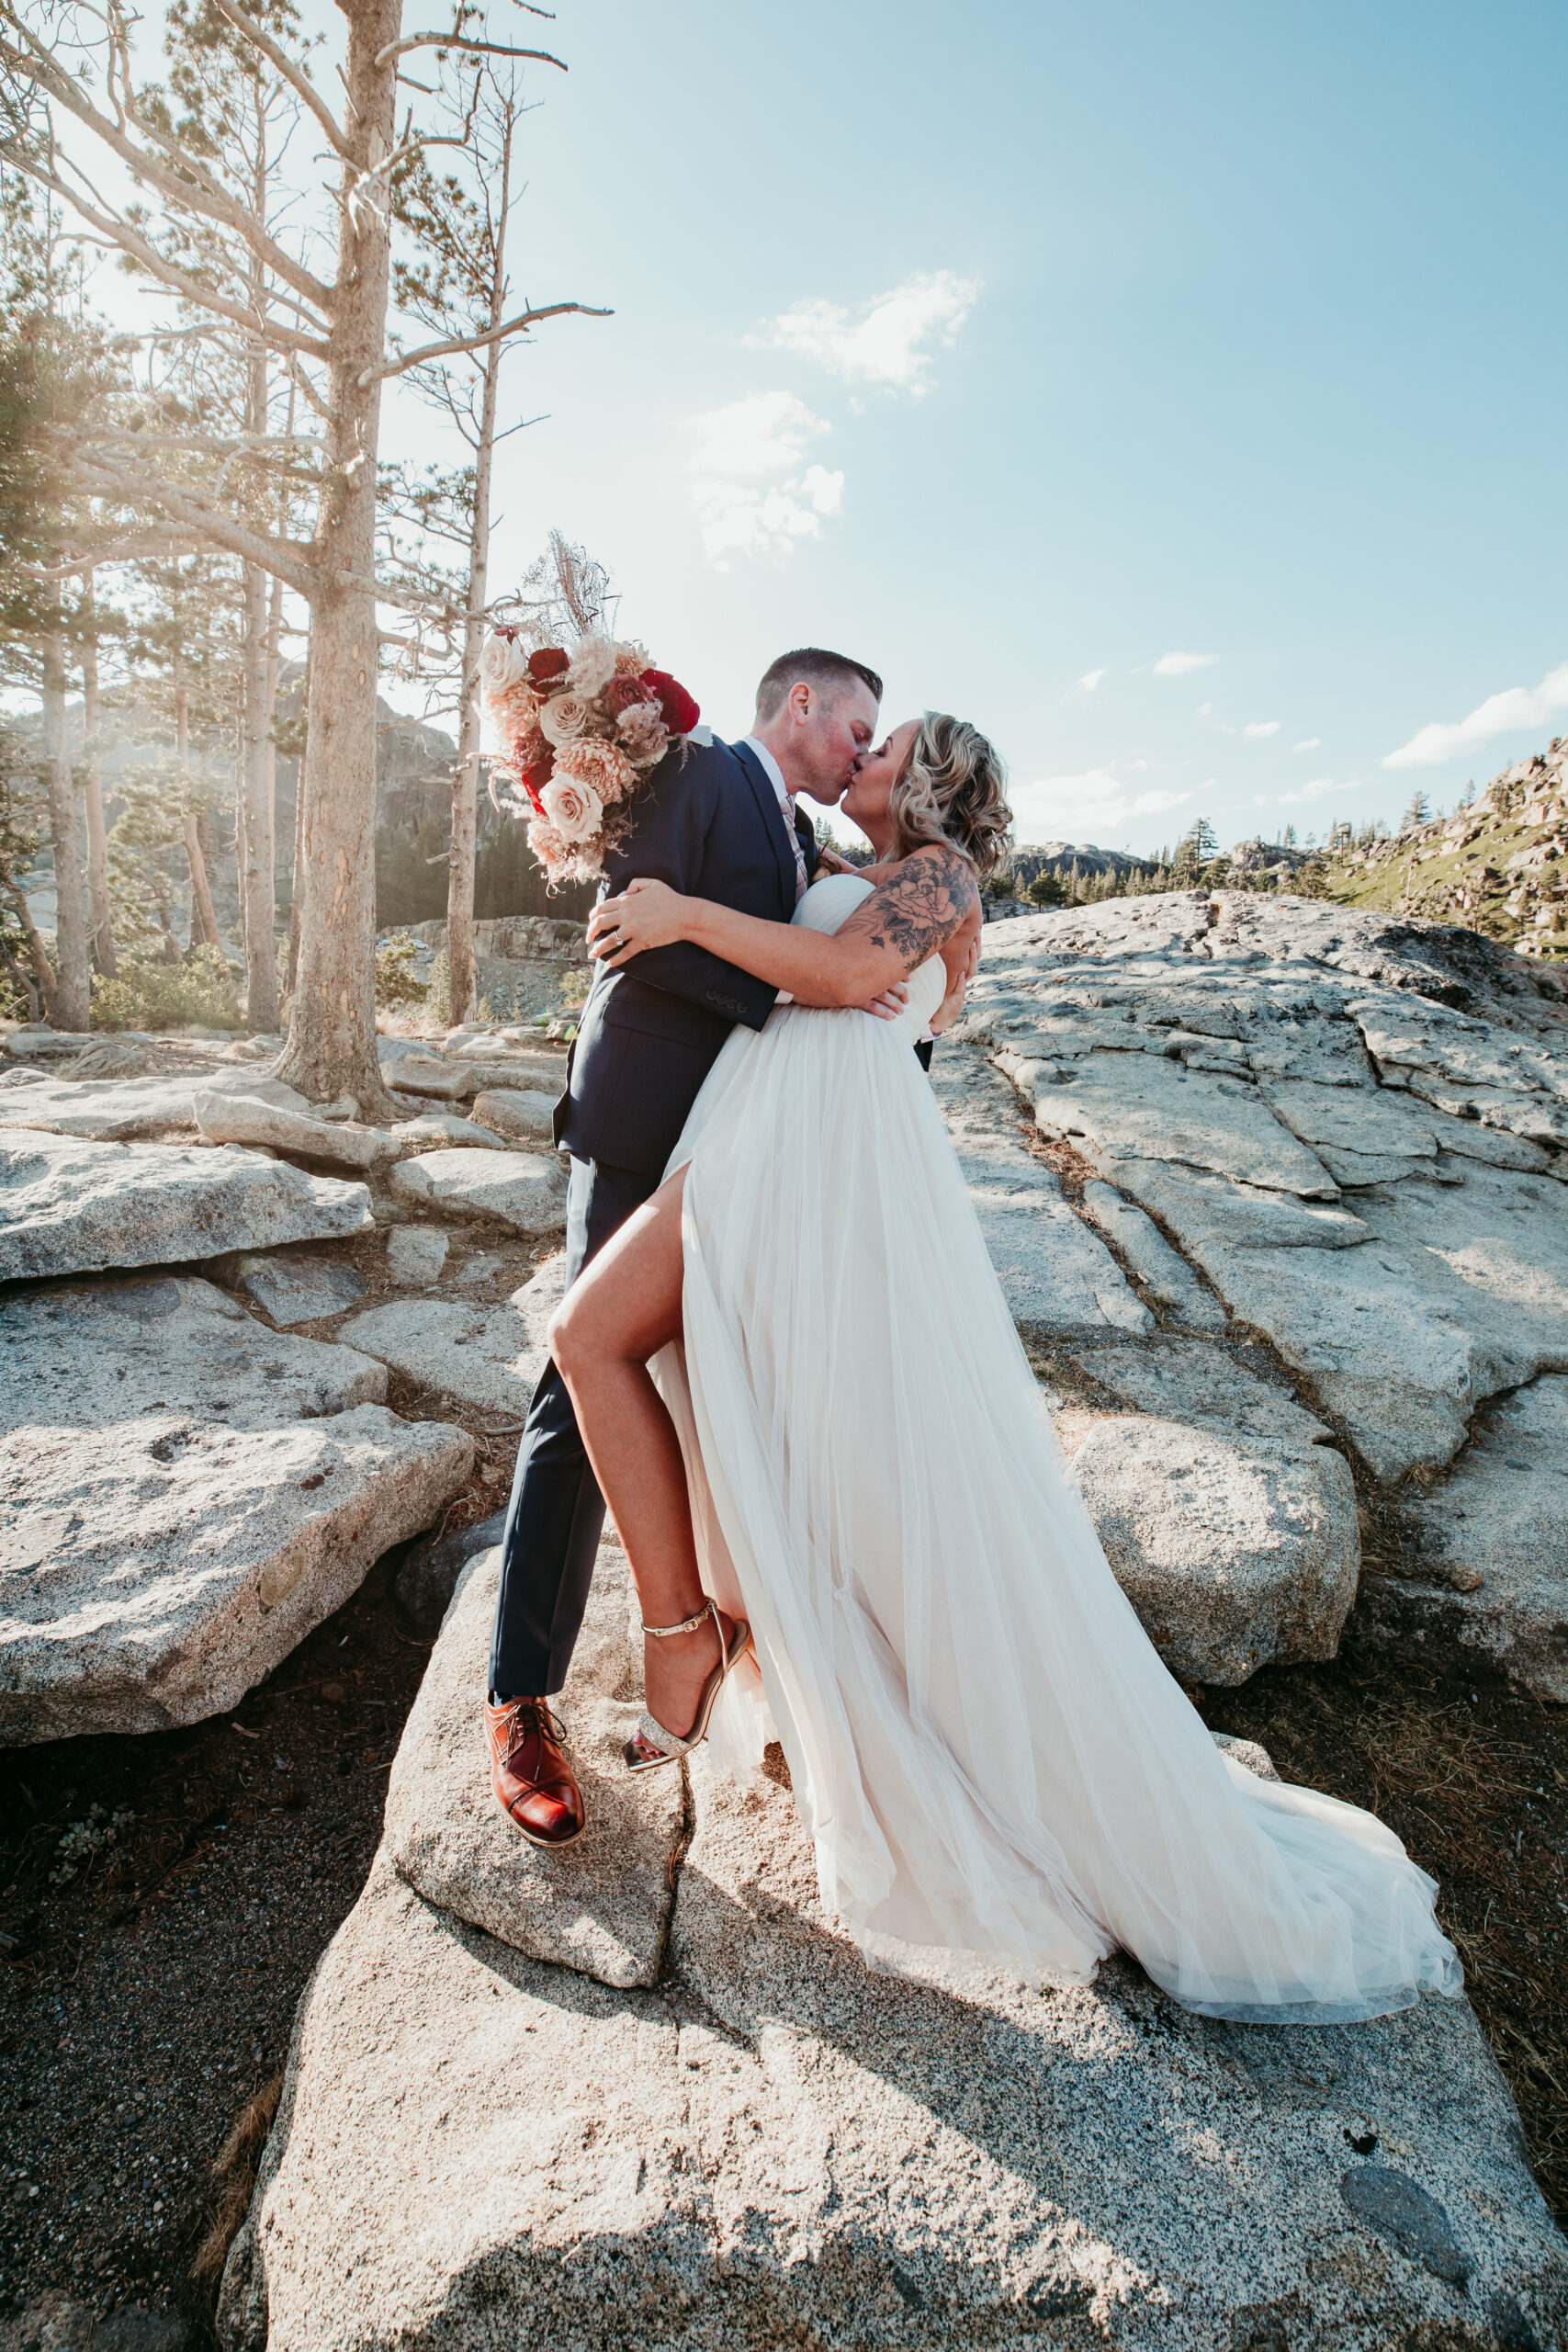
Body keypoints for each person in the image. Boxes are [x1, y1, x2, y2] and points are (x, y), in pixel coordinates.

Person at [546, 710, 1464, 2024]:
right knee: (674, 1374)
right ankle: (742, 1652)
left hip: (820, 1152)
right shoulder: (835, 854)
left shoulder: (944, 879)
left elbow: (823, 974)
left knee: (636, 1355)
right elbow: (808, 964)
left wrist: (683, 915)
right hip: (761, 1131)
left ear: (926, 779)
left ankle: (696, 1647)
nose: (860, 751)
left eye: (888, 741)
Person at [484, 647, 889, 1851]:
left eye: (881, 742)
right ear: (799, 701)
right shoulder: (703, 770)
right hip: (643, 1125)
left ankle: (752, 1644)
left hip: (739, 1159)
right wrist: (806, 997)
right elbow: (639, 932)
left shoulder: (802, 833)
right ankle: (519, 1701)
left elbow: (835, 949)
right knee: (577, 1386)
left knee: (738, 1397)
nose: (862, 750)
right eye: (855, 724)